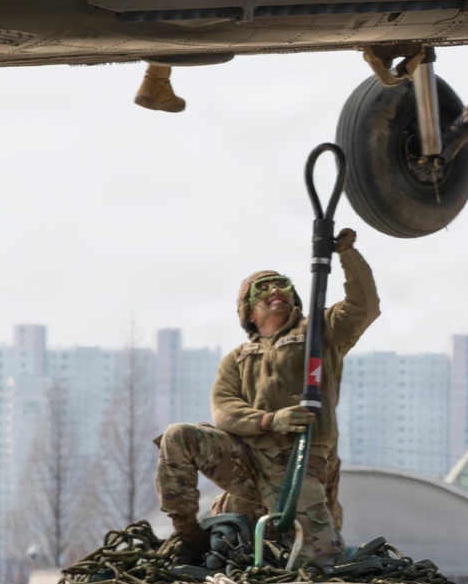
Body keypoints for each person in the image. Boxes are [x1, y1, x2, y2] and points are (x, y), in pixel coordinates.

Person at [156, 230, 379, 562]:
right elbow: (225, 410)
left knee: (318, 558)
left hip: (299, 462)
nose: (276, 290)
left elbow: (365, 306)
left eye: (283, 284)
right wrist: (270, 420)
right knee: (178, 436)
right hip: (246, 459)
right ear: (248, 311)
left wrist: (348, 254)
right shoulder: (237, 359)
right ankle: (189, 537)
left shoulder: (320, 333)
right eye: (263, 288)